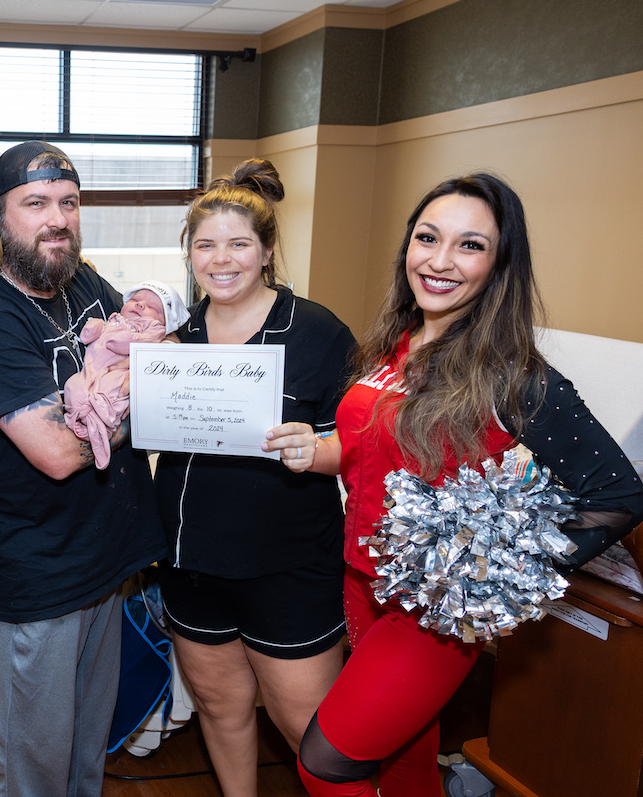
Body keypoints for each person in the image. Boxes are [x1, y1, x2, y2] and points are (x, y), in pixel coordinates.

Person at [295, 173, 643, 796]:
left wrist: (498, 574)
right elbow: (367, 453)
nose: (440, 260)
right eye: (428, 237)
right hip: (360, 580)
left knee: (327, 763)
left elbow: (618, 495)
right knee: (405, 757)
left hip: (432, 614)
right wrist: (315, 451)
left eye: (470, 245)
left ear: (499, 264)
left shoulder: (512, 374)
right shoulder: (396, 346)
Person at [0, 141, 167, 797]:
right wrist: (145, 396)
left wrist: (134, 388)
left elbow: (160, 351)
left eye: (68, 203)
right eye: (35, 203)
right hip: (38, 578)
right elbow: (61, 453)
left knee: (86, 755)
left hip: (106, 562)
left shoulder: (87, 285)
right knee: (37, 766)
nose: (57, 219)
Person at [151, 160, 356, 797]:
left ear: (266, 251)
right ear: (189, 254)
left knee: (310, 732)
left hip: (288, 568)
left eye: (239, 244)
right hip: (191, 565)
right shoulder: (174, 342)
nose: (221, 259)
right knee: (220, 709)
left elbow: (363, 444)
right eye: (205, 245)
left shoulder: (318, 332)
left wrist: (317, 448)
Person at [63, 279, 190, 469]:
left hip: (119, 374)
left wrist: (123, 341)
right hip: (92, 369)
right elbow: (90, 334)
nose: (140, 304)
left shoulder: (153, 330)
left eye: (153, 308)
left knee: (113, 394)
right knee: (73, 386)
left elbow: (142, 341)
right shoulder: (114, 319)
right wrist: (95, 326)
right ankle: (78, 416)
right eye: (136, 299)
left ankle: (99, 428)